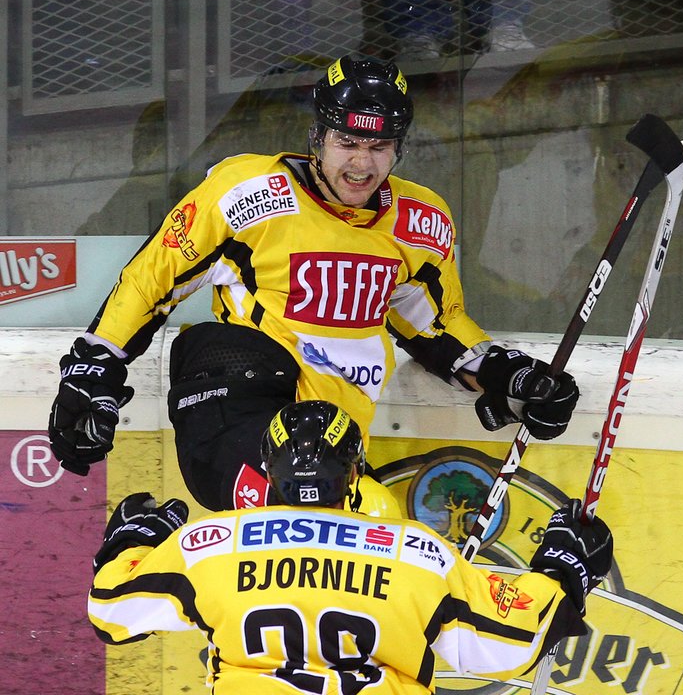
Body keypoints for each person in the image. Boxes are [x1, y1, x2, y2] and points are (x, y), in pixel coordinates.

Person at [48, 55, 579, 514]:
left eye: (379, 146)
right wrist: (94, 368)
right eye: (347, 141)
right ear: (318, 137)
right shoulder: (247, 193)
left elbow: (437, 326)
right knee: (340, 515)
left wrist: (507, 375)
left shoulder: (420, 222)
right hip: (243, 422)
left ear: (398, 149)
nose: (361, 163)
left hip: (338, 448)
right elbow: (150, 280)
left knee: (367, 539)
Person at [88, 400, 613, 693]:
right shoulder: (417, 553)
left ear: (268, 470)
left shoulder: (209, 545)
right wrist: (563, 568)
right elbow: (514, 641)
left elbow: (110, 612)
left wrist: (131, 541)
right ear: (355, 471)